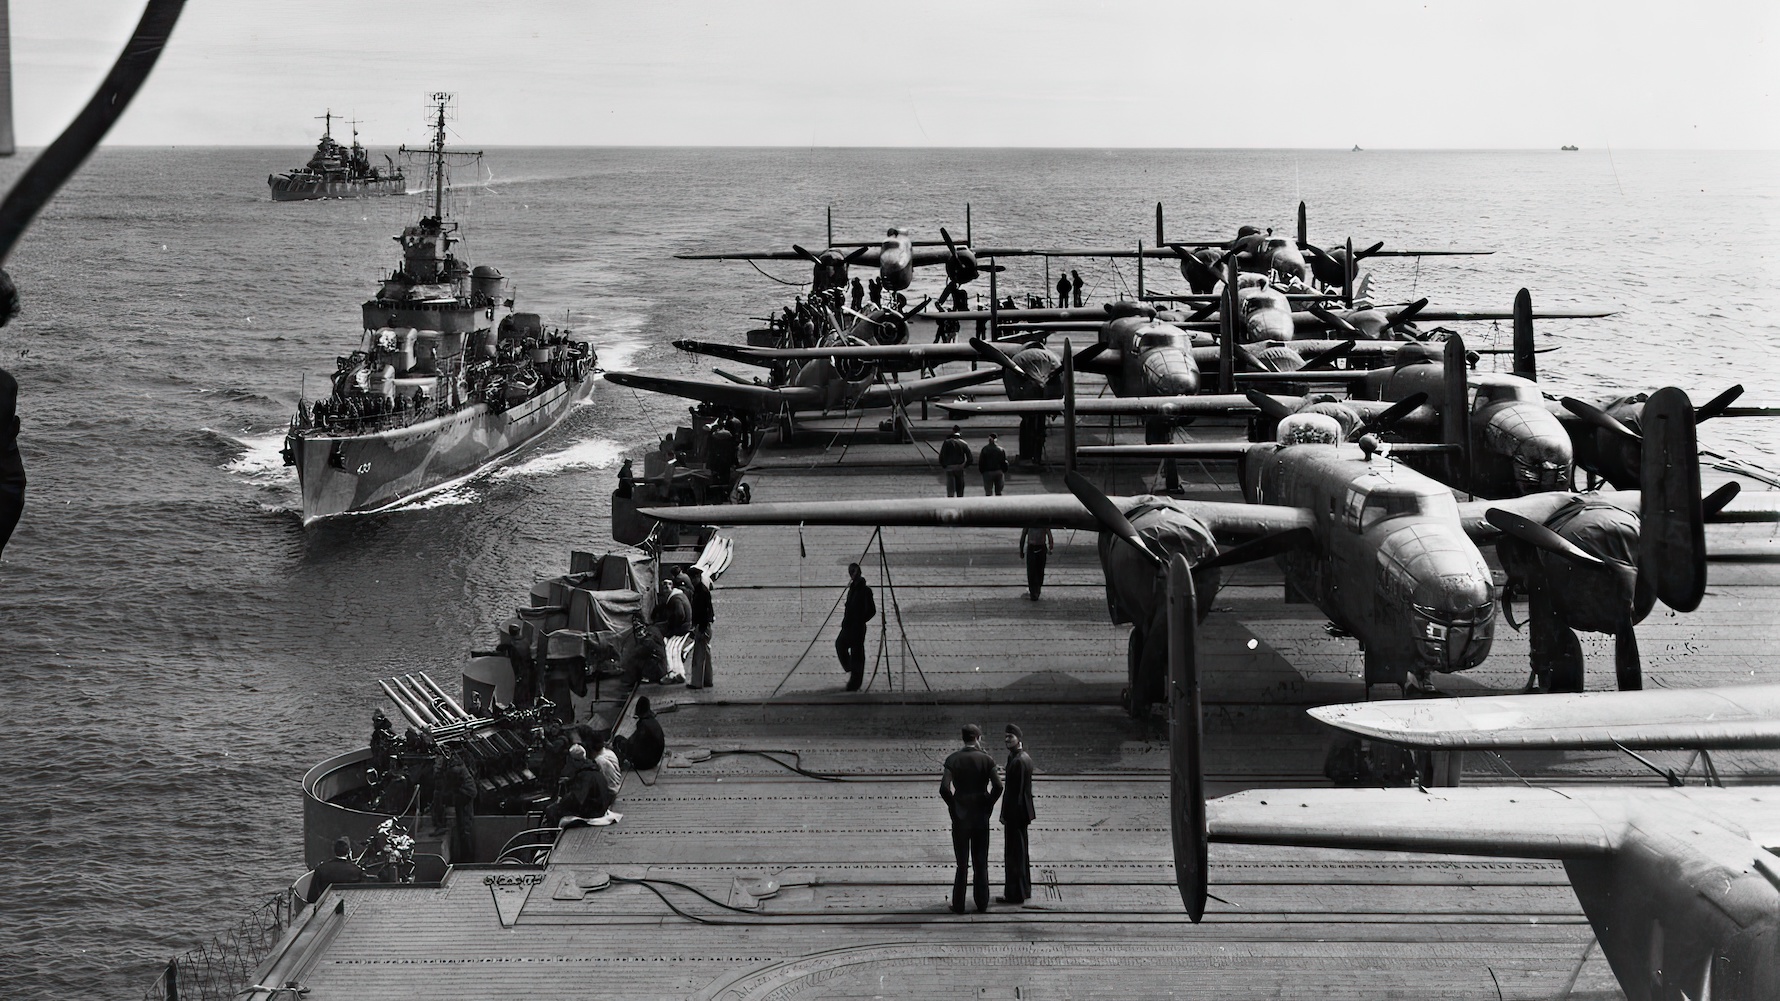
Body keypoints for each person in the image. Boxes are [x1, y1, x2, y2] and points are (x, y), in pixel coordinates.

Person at [939, 724, 1002, 914]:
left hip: (960, 818)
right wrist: (988, 803)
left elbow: (944, 789)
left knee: (962, 862)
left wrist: (954, 805)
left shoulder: (953, 759)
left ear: (963, 738)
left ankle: (958, 904)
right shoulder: (987, 760)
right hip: (980, 816)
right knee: (980, 861)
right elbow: (998, 786)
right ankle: (982, 902)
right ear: (978, 738)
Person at [998, 724, 1037, 905]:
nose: (1007, 740)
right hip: (1022, 813)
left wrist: (1006, 814)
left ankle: (1015, 894)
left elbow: (1015, 793)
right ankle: (1023, 890)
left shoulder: (1019, 761)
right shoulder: (1020, 757)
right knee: (1020, 853)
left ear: (1018, 739)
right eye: (1006, 737)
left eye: (1010, 737)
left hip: (1016, 814)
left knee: (1014, 854)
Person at [836, 562, 876, 691]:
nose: (852, 574)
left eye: (854, 571)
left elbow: (872, 610)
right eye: (850, 572)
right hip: (848, 626)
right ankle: (850, 668)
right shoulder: (851, 589)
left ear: (859, 572)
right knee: (840, 644)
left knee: (857, 653)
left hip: (858, 628)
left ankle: (855, 683)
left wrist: (860, 620)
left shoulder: (865, 590)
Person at [544, 743, 605, 825]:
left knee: (551, 810)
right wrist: (570, 781)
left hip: (594, 812)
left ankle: (553, 833)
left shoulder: (585, 775)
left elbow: (577, 798)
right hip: (599, 806)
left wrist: (561, 803)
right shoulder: (592, 768)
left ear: (573, 760)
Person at [612, 696, 666, 771]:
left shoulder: (643, 724)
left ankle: (616, 765)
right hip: (655, 760)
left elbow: (633, 745)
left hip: (645, 763)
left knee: (618, 739)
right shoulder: (653, 721)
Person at [307, 836, 365, 904]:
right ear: (349, 852)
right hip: (350, 903)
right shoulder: (357, 871)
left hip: (326, 904)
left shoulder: (321, 869)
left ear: (334, 851)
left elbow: (311, 897)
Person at [445, 749, 478, 862]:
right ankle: (467, 856)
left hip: (465, 795)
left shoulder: (456, 769)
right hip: (465, 794)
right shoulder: (460, 765)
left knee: (465, 828)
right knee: (464, 827)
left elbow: (451, 779)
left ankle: (467, 858)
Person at [686, 565, 714, 689]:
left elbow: (704, 611)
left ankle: (697, 683)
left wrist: (699, 628)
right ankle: (708, 680)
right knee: (706, 654)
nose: (692, 581)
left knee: (699, 655)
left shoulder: (701, 592)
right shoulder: (701, 590)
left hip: (702, 626)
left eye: (693, 578)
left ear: (698, 577)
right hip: (705, 625)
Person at [1018, 526, 1054, 600]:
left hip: (1039, 547)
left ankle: (1036, 590)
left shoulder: (1040, 522)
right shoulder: (1032, 522)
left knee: (1037, 570)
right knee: (1033, 571)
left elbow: (1023, 535)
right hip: (1034, 547)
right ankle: (1034, 591)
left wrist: (1021, 550)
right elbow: (1023, 535)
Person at [937, 426, 973, 498]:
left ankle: (951, 500)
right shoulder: (963, 443)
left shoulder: (946, 442)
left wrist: (944, 465)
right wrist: (964, 466)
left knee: (950, 487)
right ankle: (959, 499)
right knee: (960, 486)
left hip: (949, 467)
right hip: (959, 467)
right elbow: (970, 458)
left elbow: (941, 456)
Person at [591, 733, 623, 807]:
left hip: (610, 792)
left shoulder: (600, 761)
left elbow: (605, 782)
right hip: (615, 786)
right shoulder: (609, 752)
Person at [706, 421, 738, 494]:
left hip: (717, 457)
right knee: (726, 472)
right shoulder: (728, 434)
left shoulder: (714, 436)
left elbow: (710, 448)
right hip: (726, 456)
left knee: (716, 472)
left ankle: (717, 487)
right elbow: (732, 447)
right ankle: (726, 487)